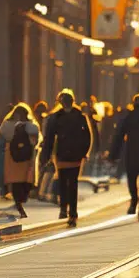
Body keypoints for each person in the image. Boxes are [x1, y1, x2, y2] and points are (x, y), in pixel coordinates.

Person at [41, 89, 92, 227]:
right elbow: (50, 138)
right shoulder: (63, 116)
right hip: (65, 154)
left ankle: (70, 211)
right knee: (65, 182)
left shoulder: (62, 116)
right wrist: (46, 155)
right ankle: (66, 210)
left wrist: (84, 152)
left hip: (71, 154)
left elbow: (87, 136)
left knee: (70, 183)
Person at [0, 103, 39, 218]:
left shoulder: (6, 126)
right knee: (25, 180)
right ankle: (22, 199)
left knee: (14, 181)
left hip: (12, 156)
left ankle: (18, 203)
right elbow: (37, 142)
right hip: (27, 157)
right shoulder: (32, 127)